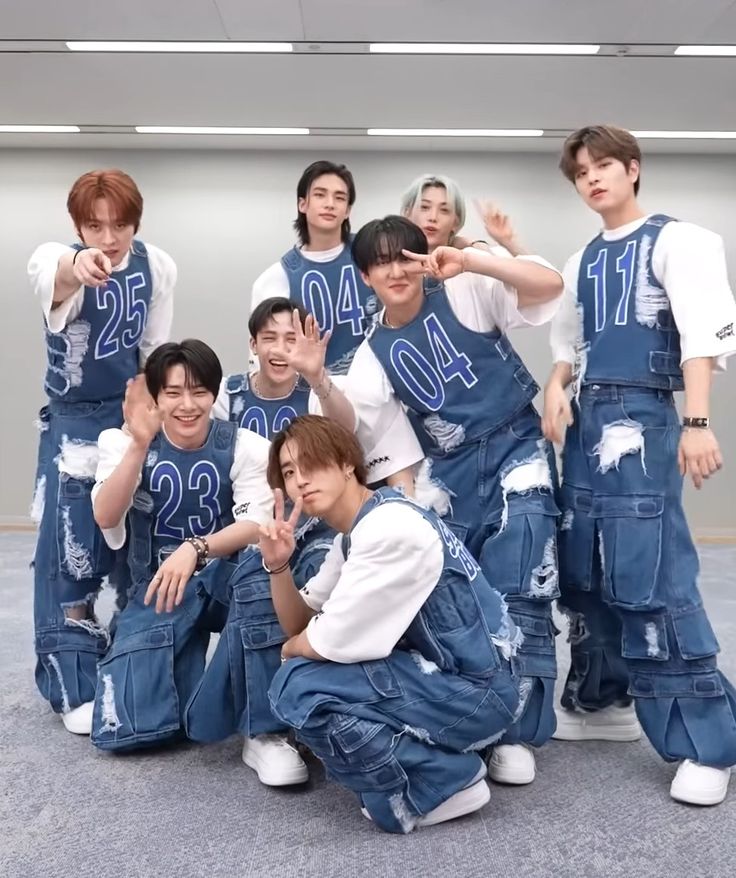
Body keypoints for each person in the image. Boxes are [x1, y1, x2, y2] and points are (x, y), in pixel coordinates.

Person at [543, 123, 736, 806]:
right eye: (581, 172)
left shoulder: (681, 241)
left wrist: (698, 421)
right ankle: (601, 700)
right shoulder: (581, 260)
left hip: (647, 416)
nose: (593, 178)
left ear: (632, 169)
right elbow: (569, 343)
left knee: (648, 569)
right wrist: (554, 384)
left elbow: (703, 337)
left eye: (604, 166)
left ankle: (705, 743)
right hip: (587, 419)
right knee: (586, 566)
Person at [345, 213, 563, 786]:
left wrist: (472, 258)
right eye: (381, 261)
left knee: (525, 585)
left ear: (425, 258)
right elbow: (393, 456)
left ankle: (520, 734)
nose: (397, 269)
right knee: (471, 605)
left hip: (518, 446)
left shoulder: (466, 288)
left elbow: (549, 286)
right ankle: (481, 722)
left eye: (406, 256)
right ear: (365, 275)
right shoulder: (370, 358)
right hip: (452, 476)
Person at [185, 296, 423, 784]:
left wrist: (317, 375)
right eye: (269, 337)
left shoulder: (318, 393)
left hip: (312, 531)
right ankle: (265, 730)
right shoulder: (227, 394)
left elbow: (346, 433)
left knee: (274, 573)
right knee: (253, 566)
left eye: (290, 337)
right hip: (240, 528)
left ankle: (272, 720)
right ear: (252, 344)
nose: (280, 348)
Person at [262, 415, 522, 832]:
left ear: (347, 463)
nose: (300, 480)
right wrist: (278, 567)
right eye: (290, 472)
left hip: (478, 695)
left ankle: (443, 780)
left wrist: (293, 649)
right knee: (304, 677)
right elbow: (302, 623)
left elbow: (325, 640)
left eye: (311, 463)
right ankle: (439, 764)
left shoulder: (390, 527)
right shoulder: (359, 531)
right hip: (451, 681)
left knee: (299, 687)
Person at [27, 169, 175, 735]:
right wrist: (79, 267)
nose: (109, 238)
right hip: (72, 419)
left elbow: (154, 348)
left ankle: (123, 660)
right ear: (77, 225)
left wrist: (154, 415)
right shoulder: (54, 257)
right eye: (95, 225)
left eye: (121, 224)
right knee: (71, 552)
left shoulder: (157, 265)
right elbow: (58, 276)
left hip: (128, 410)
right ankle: (70, 682)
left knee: (132, 546)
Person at [89, 340, 274, 751]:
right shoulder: (120, 444)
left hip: (225, 578)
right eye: (173, 393)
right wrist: (139, 444)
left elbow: (256, 522)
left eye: (199, 391)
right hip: (159, 586)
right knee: (130, 731)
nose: (187, 405)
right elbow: (105, 515)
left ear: (214, 393)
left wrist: (196, 548)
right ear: (156, 397)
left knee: (265, 585)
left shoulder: (246, 446)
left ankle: (264, 732)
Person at [250, 160, 378, 374]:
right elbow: (260, 359)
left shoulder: (373, 252)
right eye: (320, 195)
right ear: (302, 204)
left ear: (347, 210)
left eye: (339, 198)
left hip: (376, 389)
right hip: (311, 395)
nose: (330, 204)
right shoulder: (277, 278)